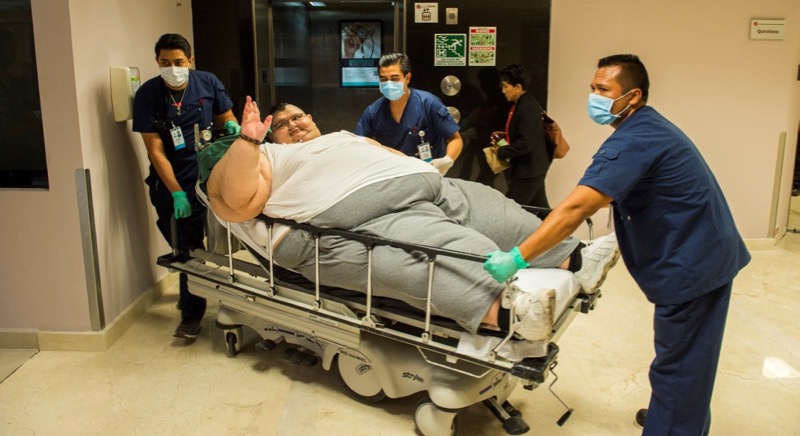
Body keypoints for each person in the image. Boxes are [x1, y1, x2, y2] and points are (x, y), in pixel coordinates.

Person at [202, 97, 620, 343]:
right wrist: (248, 140)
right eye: (282, 124)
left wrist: (428, 170)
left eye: (299, 117)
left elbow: (388, 155)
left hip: (419, 185)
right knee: (427, 245)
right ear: (270, 135)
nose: (294, 125)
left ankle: (574, 260)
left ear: (312, 118)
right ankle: (507, 312)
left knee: (490, 204)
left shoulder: (341, 137)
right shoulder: (268, 156)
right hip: (357, 211)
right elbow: (235, 204)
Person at [483, 54, 751, 435]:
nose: (594, 96)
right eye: (592, 88)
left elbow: (577, 205)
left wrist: (517, 257)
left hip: (693, 264)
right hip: (701, 251)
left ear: (633, 95)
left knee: (681, 364)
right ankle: (673, 412)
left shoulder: (636, 139)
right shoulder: (646, 127)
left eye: (603, 90)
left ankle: (673, 422)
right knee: (688, 358)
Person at [132, 33, 239, 340]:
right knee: (184, 246)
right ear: (157, 62)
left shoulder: (207, 82)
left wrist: (231, 124)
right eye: (165, 63)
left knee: (200, 245)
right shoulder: (148, 95)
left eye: (179, 62)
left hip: (208, 176)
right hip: (170, 181)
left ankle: (194, 308)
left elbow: (226, 113)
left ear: (190, 61)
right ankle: (194, 304)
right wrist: (177, 191)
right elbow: (155, 151)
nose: (172, 68)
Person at [355, 52, 463, 175]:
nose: (389, 84)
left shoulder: (429, 104)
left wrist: (447, 160)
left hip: (427, 174)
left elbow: (455, 139)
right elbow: (358, 144)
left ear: (407, 78)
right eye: (383, 79)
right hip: (392, 175)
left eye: (395, 79)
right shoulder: (373, 112)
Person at [489, 64, 554, 209]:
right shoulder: (523, 103)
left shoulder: (527, 107)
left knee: (511, 211)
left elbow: (526, 142)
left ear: (518, 87)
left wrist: (502, 152)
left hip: (529, 170)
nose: (503, 90)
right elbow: (526, 132)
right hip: (534, 167)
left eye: (506, 86)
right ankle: (560, 232)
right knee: (541, 209)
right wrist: (505, 136)